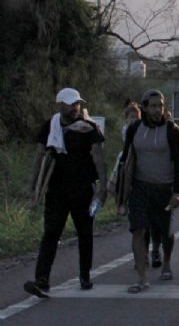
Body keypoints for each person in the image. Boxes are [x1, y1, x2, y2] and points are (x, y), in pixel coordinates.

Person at [24, 88, 107, 298]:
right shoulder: (50, 127)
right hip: (57, 191)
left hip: (82, 190)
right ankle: (42, 279)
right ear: (60, 105)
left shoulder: (89, 129)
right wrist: (33, 186)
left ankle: (85, 275)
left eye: (77, 103)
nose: (75, 107)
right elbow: (39, 156)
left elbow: (98, 158)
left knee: (85, 234)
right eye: (71, 104)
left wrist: (102, 188)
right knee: (51, 234)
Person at [117, 90, 179, 294]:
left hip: (164, 187)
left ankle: (166, 262)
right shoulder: (134, 128)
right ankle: (142, 277)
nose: (157, 110)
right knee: (138, 229)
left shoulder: (172, 130)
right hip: (140, 186)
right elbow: (126, 157)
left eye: (160, 106)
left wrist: (177, 192)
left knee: (165, 231)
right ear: (144, 108)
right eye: (153, 106)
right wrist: (122, 191)